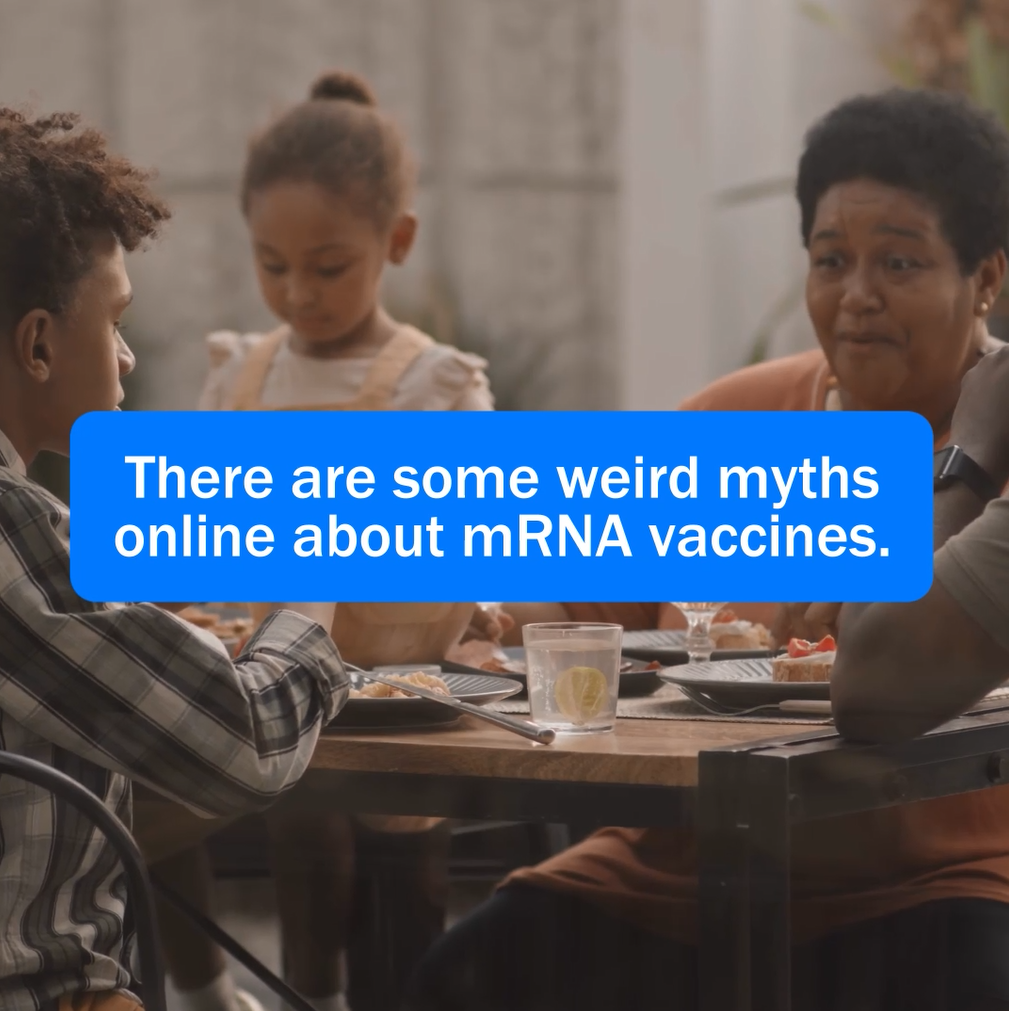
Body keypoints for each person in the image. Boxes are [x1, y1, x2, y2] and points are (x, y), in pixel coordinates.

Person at [405, 88, 1009, 1011]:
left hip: (942, 879)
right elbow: (562, 608)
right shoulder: (735, 420)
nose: (856, 296)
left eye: (898, 261)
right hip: (679, 869)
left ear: (985, 277)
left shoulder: (992, 455)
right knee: (462, 979)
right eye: (829, 259)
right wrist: (466, 606)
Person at [134, 70, 495, 1011]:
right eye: (273, 264)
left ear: (396, 241)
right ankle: (223, 990)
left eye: (329, 267)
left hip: (405, 688)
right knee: (234, 794)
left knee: (397, 866)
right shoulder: (239, 377)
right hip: (270, 679)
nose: (298, 293)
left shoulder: (436, 387)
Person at [0, 108, 349, 1011]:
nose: (124, 358)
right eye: (114, 320)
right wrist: (315, 579)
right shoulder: (11, 533)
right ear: (37, 343)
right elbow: (246, 742)